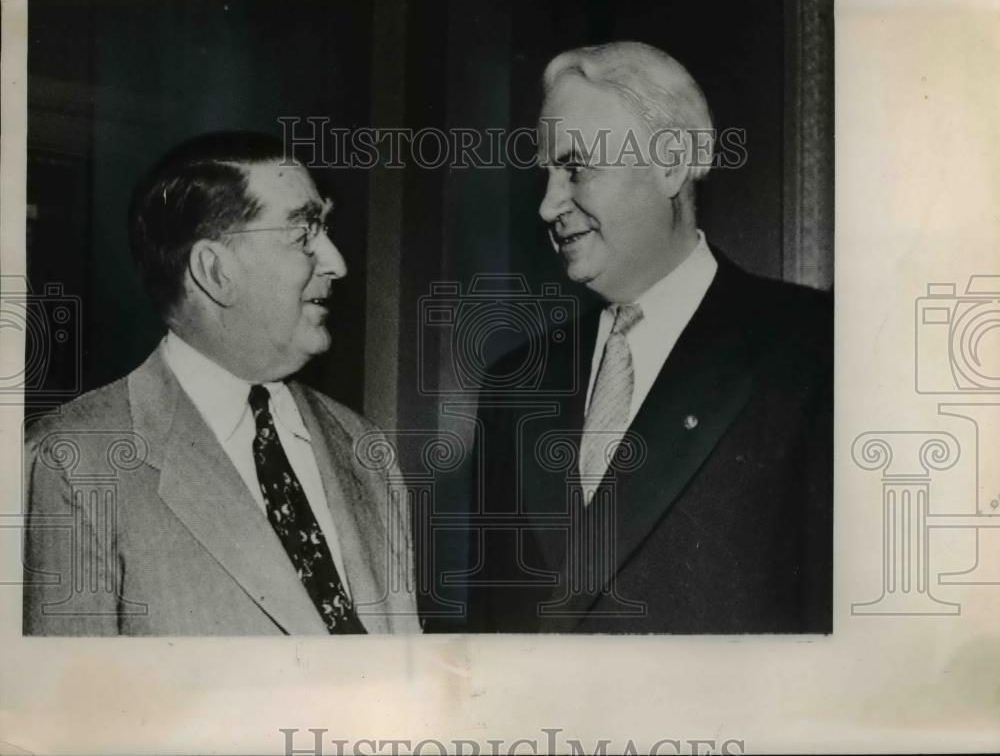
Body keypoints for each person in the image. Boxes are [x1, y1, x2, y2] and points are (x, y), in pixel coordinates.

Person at [468, 42, 832, 634]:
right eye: (546, 174)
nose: (547, 205)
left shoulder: (816, 349)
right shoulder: (515, 381)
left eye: (576, 168)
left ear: (669, 163)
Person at [23, 132, 419, 635]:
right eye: (303, 235)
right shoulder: (74, 463)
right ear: (215, 271)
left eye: (326, 230)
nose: (337, 262)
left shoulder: (366, 448)